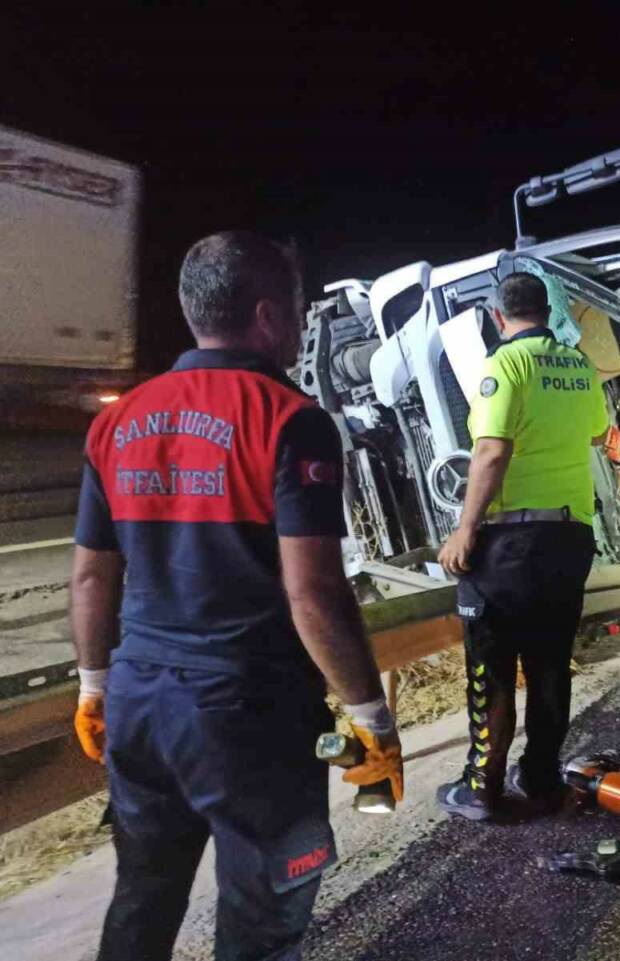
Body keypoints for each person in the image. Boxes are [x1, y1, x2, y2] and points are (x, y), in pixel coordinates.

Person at [71, 231, 402, 961]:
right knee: (262, 920)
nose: (299, 326)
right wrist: (371, 716)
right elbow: (313, 593)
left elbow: (93, 576)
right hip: (250, 716)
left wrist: (94, 687)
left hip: (139, 706)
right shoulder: (290, 419)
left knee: (142, 897)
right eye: (297, 309)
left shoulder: (116, 421)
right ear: (267, 315)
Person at [435, 272, 607, 821]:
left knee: (492, 666)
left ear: (497, 316)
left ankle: (481, 787)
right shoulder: (579, 366)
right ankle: (540, 779)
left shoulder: (505, 364)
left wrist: (466, 528)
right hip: (570, 537)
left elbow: (491, 451)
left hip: (510, 542)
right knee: (550, 663)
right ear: (548, 311)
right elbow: (597, 432)